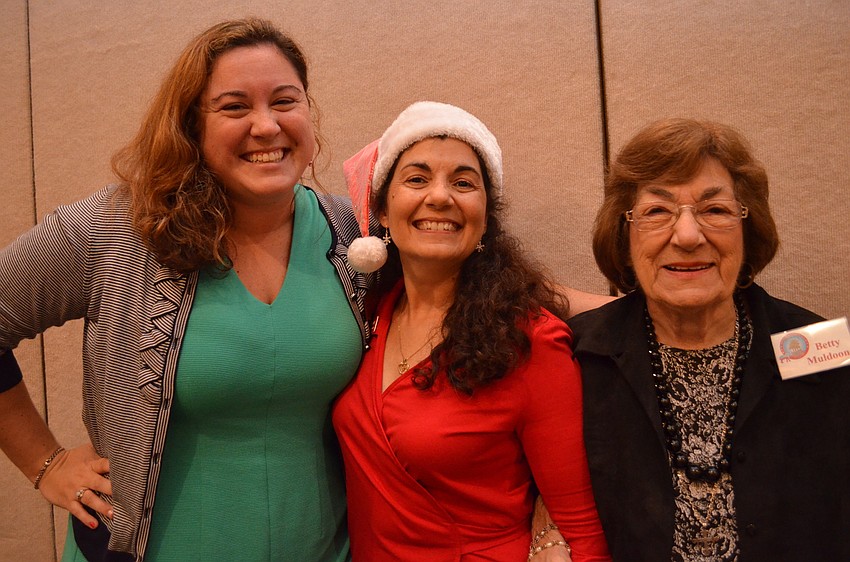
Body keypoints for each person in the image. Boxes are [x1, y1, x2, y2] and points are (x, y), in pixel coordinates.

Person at [0, 18, 374, 561]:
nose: (266, 126)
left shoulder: (350, 233)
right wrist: (45, 463)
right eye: (234, 106)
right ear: (190, 126)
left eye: (285, 101)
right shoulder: (115, 229)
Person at [332, 101, 612, 561]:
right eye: (417, 179)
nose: (440, 197)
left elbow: (581, 525)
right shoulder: (367, 313)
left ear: (485, 215)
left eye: (463, 183)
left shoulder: (528, 341)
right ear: (382, 209)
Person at [565, 118, 850, 560]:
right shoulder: (577, 358)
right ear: (624, 236)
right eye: (657, 212)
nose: (687, 236)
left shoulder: (827, 353)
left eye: (714, 210)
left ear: (746, 228)